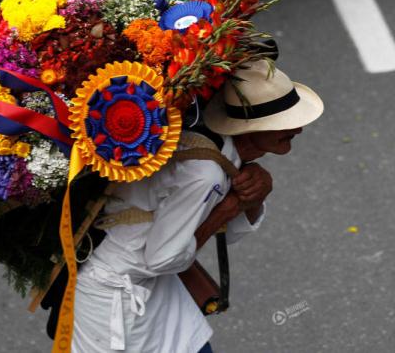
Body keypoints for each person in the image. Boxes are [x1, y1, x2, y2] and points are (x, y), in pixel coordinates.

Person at [71, 59, 324, 352]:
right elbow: (163, 258)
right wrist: (227, 210)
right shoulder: (205, 173)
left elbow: (227, 234)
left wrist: (254, 197)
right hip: (115, 295)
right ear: (249, 129)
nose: (299, 129)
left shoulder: (220, 152)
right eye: (284, 123)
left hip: (149, 282)